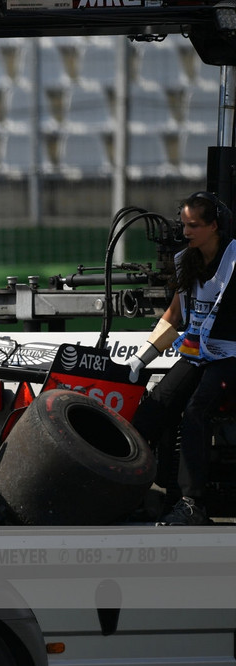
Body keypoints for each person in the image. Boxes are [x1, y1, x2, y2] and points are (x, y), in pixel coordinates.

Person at [129, 191, 236, 525]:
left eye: (194, 226)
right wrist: (141, 360)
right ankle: (127, 488)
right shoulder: (186, 261)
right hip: (196, 356)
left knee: (195, 411)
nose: (186, 232)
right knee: (153, 408)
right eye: (183, 225)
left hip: (229, 357)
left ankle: (192, 504)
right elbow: (174, 317)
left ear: (214, 227)